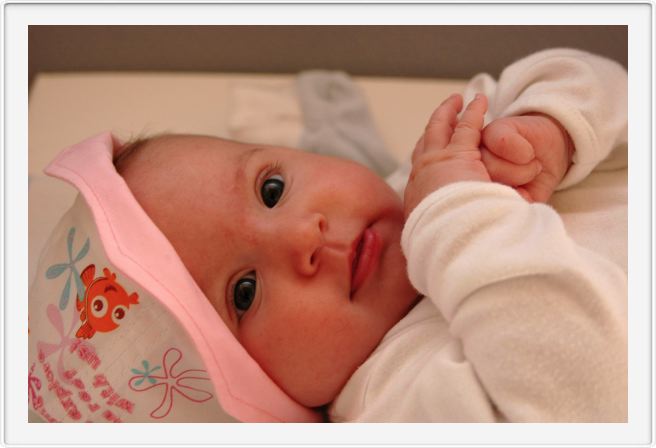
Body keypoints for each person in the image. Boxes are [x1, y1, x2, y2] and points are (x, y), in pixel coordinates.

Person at [113, 48, 627, 422]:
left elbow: (616, 87)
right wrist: (460, 218)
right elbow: (592, 392)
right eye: (244, 293)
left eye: (272, 190)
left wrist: (552, 125)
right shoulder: (389, 403)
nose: (302, 236)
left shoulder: (436, 166)